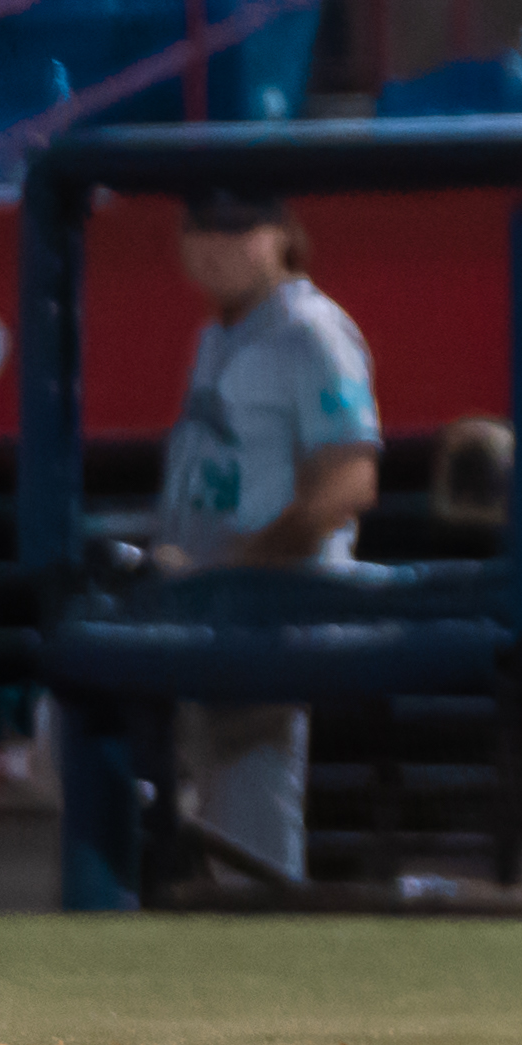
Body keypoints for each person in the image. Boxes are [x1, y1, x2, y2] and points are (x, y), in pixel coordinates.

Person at [148, 186, 380, 890]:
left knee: (252, 843)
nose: (215, 246)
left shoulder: (309, 329)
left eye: (238, 228)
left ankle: (276, 981)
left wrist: (241, 566)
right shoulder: (218, 333)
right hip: (211, 614)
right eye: (201, 229)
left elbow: (347, 485)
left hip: (274, 615)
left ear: (280, 235)